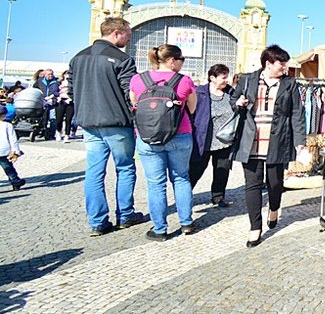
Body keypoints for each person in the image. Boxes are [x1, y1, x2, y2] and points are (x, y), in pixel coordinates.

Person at [68, 17, 148, 236]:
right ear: (116, 33)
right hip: (117, 123)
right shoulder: (122, 59)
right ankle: (125, 215)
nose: (128, 40)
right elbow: (129, 92)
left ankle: (97, 221)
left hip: (88, 122)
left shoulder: (77, 58)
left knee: (94, 171)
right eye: (127, 36)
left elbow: (70, 90)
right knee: (125, 167)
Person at [232, 45, 304, 248]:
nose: (285, 67)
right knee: (252, 185)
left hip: (278, 140)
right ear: (268, 63)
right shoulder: (247, 79)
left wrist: (299, 142)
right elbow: (232, 100)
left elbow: (297, 113)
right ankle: (255, 227)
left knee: (274, 183)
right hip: (250, 140)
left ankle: (274, 207)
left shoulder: (290, 83)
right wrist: (238, 102)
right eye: (281, 63)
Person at [129, 44, 197, 241]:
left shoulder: (138, 80)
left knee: (156, 184)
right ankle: (186, 222)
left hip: (148, 138)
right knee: (181, 178)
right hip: (180, 134)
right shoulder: (184, 81)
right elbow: (192, 109)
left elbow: (135, 105)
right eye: (181, 59)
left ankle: (160, 229)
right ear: (171, 60)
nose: (182, 63)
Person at [190, 63, 236, 207]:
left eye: (227, 77)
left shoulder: (231, 93)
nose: (226, 80)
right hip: (204, 141)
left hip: (225, 141)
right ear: (212, 78)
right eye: (223, 77)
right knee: (195, 170)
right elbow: (192, 115)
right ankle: (184, 195)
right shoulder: (200, 93)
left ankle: (218, 197)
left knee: (222, 171)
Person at [0, 116, 26, 190]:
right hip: (3, 150)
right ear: (4, 115)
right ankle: (15, 182)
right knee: (8, 168)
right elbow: (13, 139)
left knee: (8, 167)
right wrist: (16, 151)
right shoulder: (7, 125)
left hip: (3, 150)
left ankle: (16, 181)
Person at [33, 68, 59, 140]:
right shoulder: (40, 81)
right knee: (43, 118)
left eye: (51, 74)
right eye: (48, 74)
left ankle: (51, 134)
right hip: (42, 103)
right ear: (45, 75)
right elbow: (34, 89)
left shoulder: (56, 82)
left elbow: (58, 92)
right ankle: (42, 132)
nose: (50, 75)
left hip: (52, 103)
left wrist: (52, 96)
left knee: (53, 119)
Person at [54, 70, 74, 142]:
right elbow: (55, 91)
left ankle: (67, 135)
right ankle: (59, 132)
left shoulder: (73, 83)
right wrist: (59, 94)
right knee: (59, 119)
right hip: (60, 101)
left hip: (70, 102)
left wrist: (70, 97)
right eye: (66, 74)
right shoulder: (58, 82)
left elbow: (75, 91)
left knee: (68, 120)